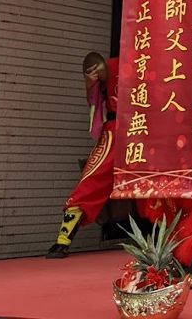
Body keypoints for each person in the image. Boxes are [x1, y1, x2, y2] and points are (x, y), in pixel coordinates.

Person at [46, 52, 118, 258]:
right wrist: (90, 84)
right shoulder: (110, 66)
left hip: (150, 130)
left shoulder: (164, 61)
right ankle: (63, 239)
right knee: (92, 178)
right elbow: (93, 99)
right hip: (116, 129)